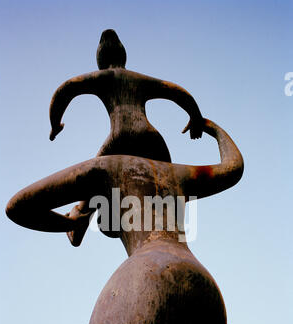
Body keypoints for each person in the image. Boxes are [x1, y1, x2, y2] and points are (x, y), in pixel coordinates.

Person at [6, 118, 243, 324]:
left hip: (146, 277)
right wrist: (212, 129)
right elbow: (233, 167)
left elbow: (19, 207)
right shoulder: (180, 174)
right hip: (202, 284)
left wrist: (73, 221)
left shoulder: (110, 166)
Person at [48, 29, 205, 246]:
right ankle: (172, 224)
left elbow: (64, 91)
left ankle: (79, 220)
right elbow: (178, 93)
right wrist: (195, 119)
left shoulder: (101, 77)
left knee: (95, 176)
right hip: (151, 139)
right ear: (123, 55)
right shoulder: (140, 79)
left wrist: (55, 126)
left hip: (119, 139)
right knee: (169, 181)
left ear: (100, 60)